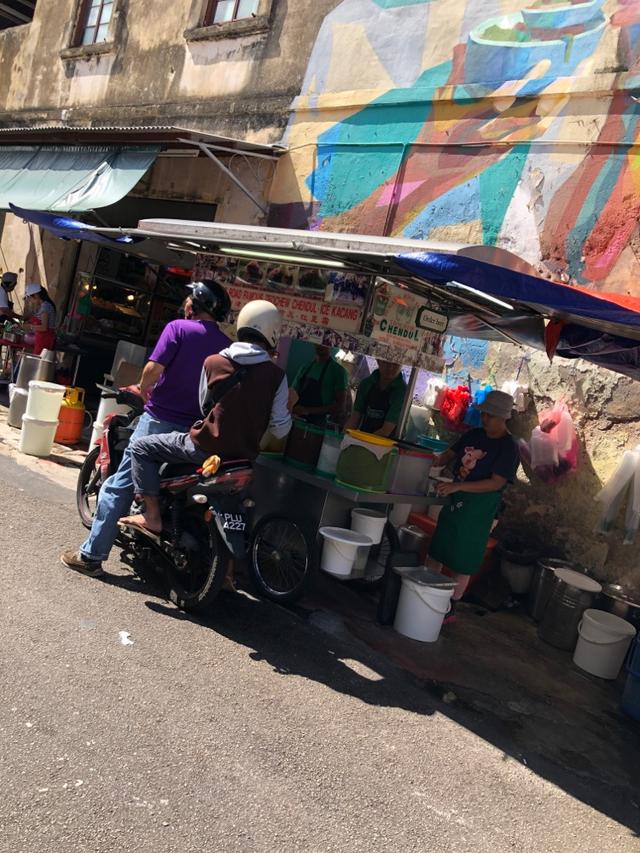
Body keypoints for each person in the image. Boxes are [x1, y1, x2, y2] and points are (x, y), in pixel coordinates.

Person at [61, 280, 232, 577]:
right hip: (195, 430)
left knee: (118, 485)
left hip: (158, 421)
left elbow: (153, 369)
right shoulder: (226, 345)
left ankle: (91, 556)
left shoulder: (178, 328)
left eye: (189, 298)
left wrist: (143, 387)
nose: (185, 302)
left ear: (195, 304)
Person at [119, 300, 291, 536]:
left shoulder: (213, 362)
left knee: (140, 448)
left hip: (204, 448)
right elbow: (281, 429)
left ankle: (151, 515)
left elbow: (203, 406)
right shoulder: (277, 376)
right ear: (273, 333)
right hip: (243, 458)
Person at [427, 390, 520, 624]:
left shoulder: (508, 448)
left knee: (464, 557)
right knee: (439, 546)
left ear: (503, 418)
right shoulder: (474, 435)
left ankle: (450, 605)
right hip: (455, 500)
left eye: (490, 415)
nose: (484, 418)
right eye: (484, 413)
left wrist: (458, 486)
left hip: (480, 508)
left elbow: (496, 483)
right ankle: (426, 589)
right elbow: (449, 454)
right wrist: (433, 459)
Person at [290, 344, 349, 426]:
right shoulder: (305, 367)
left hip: (318, 424)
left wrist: (308, 410)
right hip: (296, 418)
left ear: (331, 345)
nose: (321, 345)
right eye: (318, 342)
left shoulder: (339, 371)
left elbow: (340, 406)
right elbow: (292, 392)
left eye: (325, 343)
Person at [345, 360, 407, 438]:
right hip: (364, 435)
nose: (390, 367)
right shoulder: (366, 384)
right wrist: (343, 437)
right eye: (386, 362)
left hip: (389, 442)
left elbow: (386, 430)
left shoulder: (403, 391)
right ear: (378, 360)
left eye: (395, 363)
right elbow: (355, 418)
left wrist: (363, 442)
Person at [23, 283, 56, 355]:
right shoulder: (42, 306)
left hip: (45, 340)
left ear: (36, 295)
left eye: (30, 298)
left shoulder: (45, 307)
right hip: (41, 339)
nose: (30, 301)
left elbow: (44, 327)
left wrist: (30, 326)